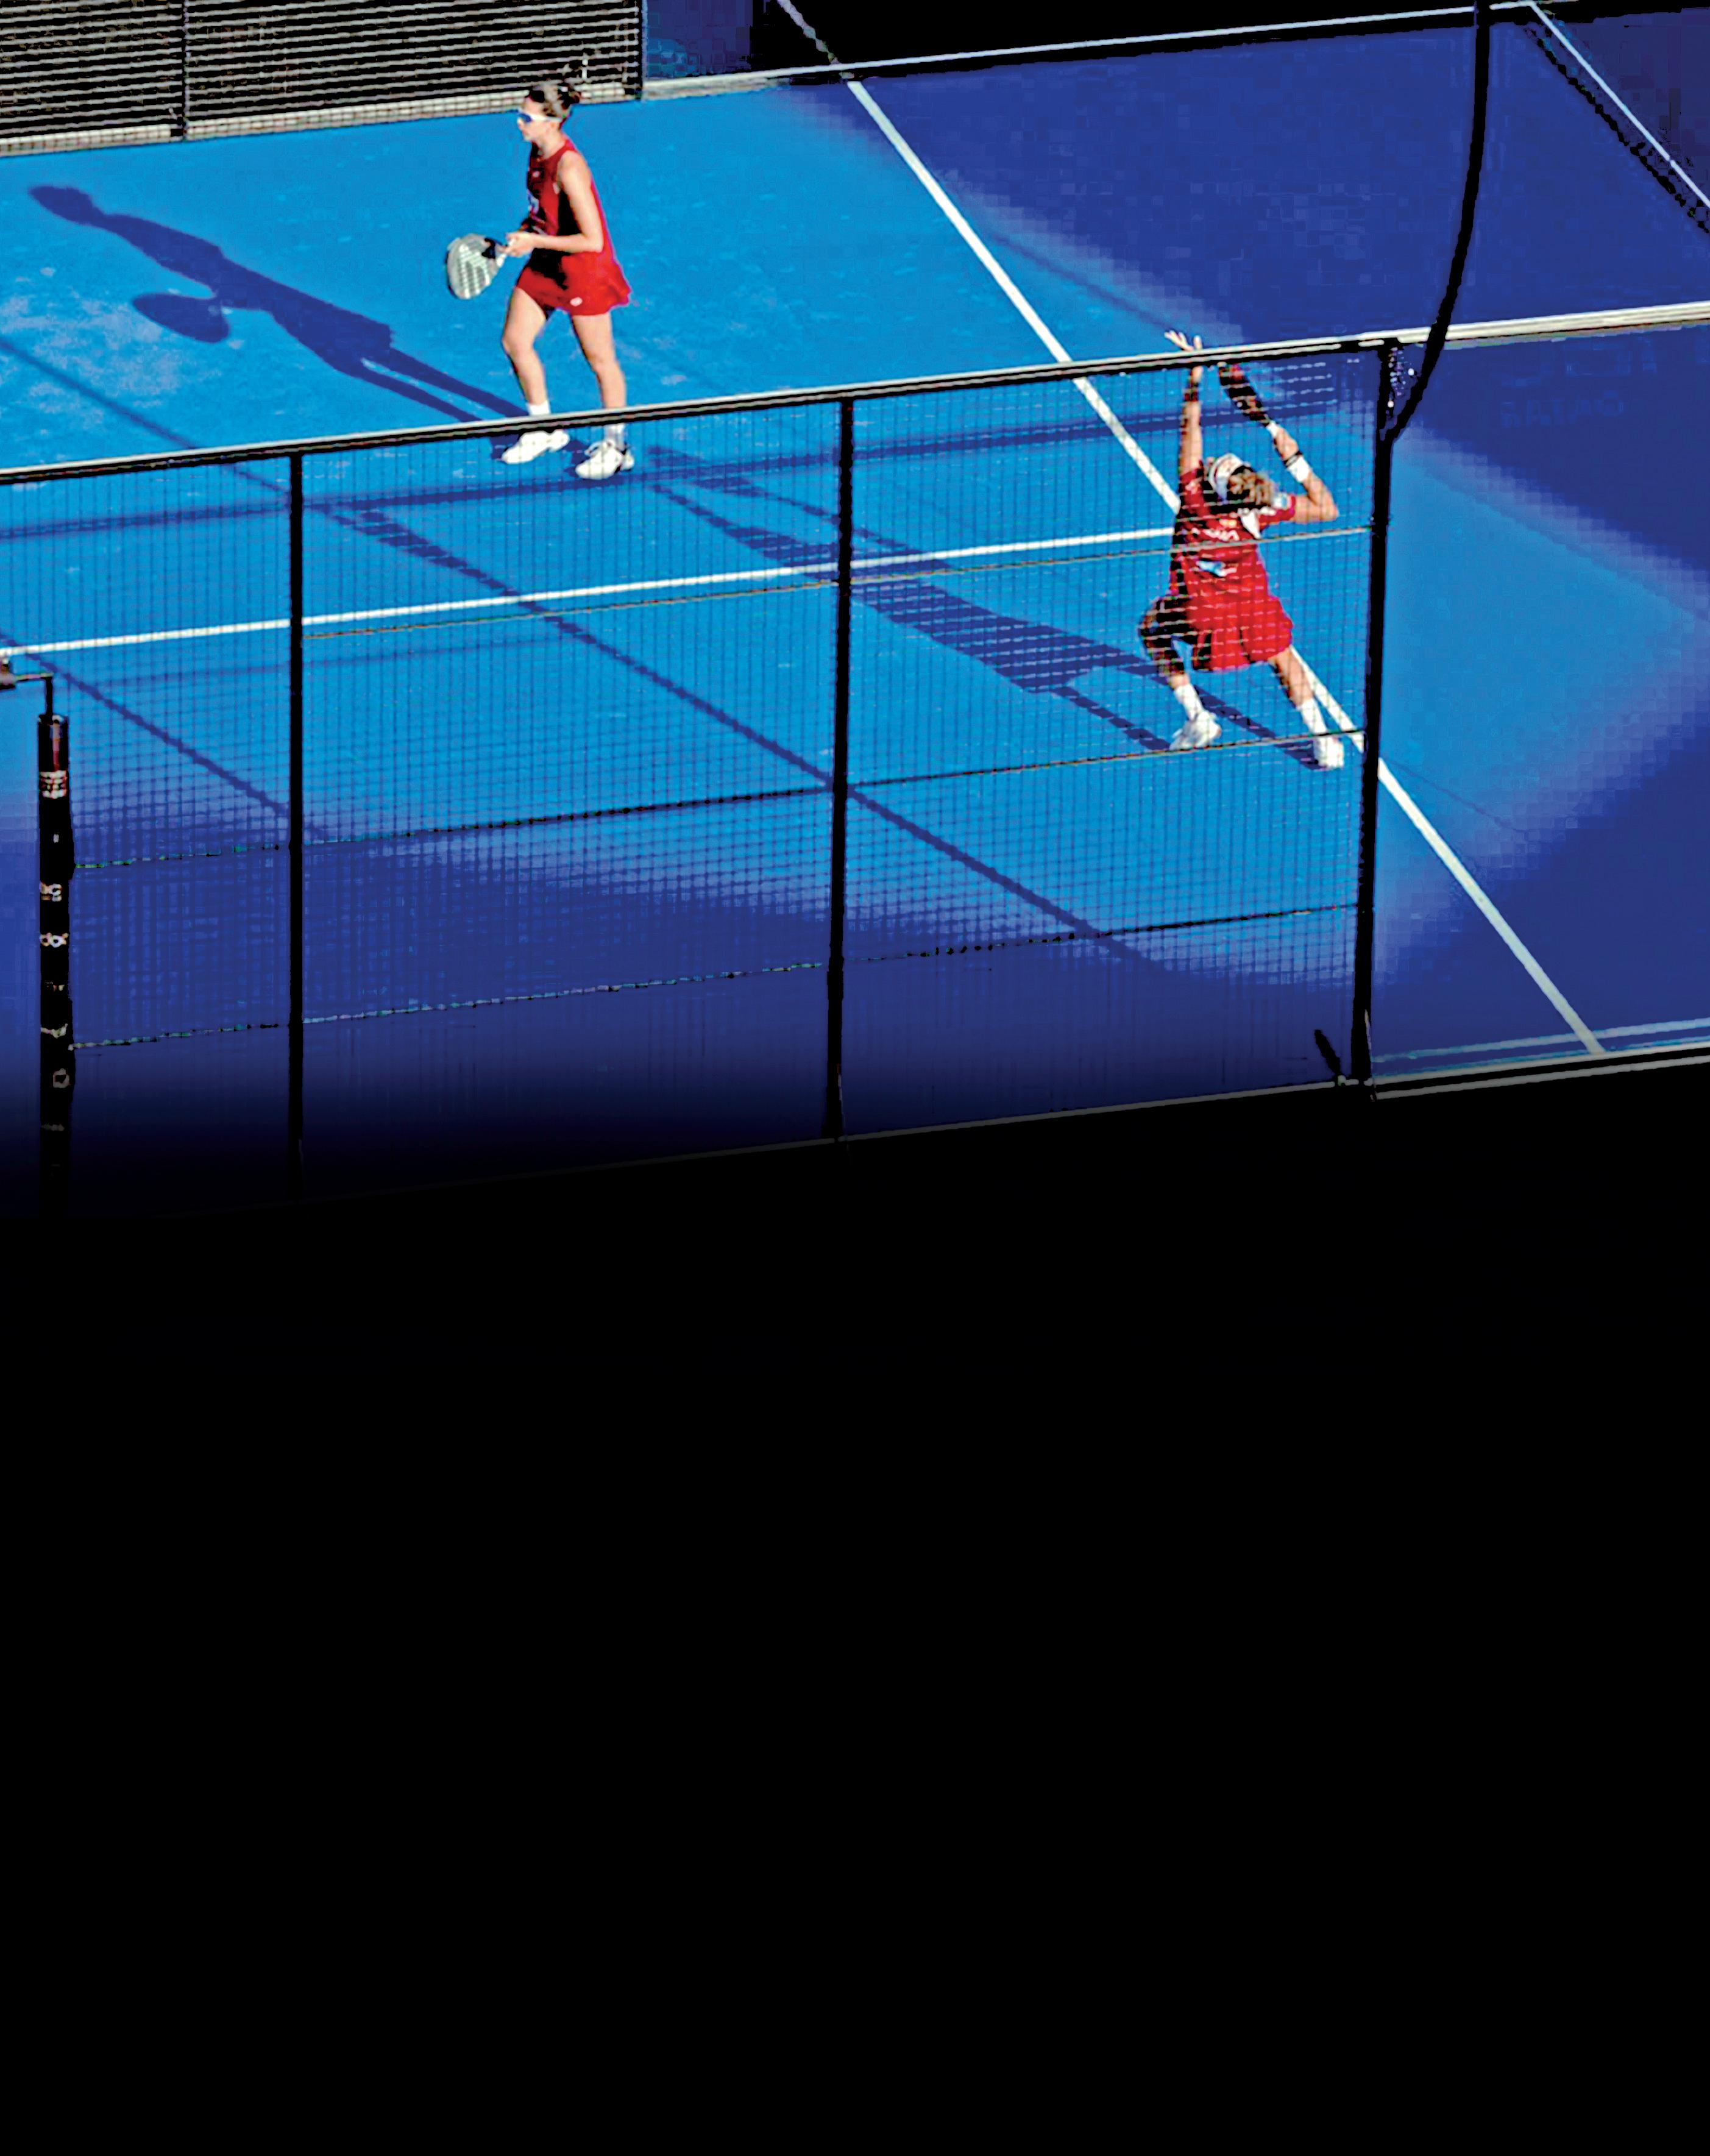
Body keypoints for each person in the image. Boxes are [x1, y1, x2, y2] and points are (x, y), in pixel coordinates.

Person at [1138, 331, 1343, 769]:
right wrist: (1295, 461)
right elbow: (1327, 508)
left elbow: (1190, 429)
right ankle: (1323, 739)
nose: (1211, 461)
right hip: (1252, 609)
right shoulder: (1264, 509)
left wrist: (1194, 377)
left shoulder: (1194, 499)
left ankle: (1198, 717)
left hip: (1201, 614)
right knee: (1284, 659)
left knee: (1152, 630)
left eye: (1214, 466)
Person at [498, 77, 634, 475]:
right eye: (520, 114)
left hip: (583, 272)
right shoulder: (536, 153)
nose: (519, 123)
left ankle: (616, 447)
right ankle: (544, 429)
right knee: (515, 341)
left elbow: (592, 240)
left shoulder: (570, 167)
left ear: (554, 122)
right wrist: (523, 235)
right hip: (547, 261)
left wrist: (534, 242)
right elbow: (544, 214)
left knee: (601, 361)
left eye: (527, 118)